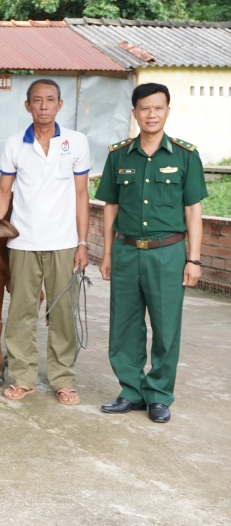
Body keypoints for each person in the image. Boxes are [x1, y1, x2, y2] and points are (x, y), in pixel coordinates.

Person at [95, 83, 207, 423]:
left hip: (167, 253)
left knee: (166, 326)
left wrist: (194, 258)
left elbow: (193, 211)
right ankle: (131, 391)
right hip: (127, 252)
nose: (152, 114)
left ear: (168, 111)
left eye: (158, 107)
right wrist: (108, 253)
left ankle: (159, 395)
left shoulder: (186, 156)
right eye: (145, 108)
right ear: (135, 112)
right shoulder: (118, 155)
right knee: (124, 325)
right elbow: (110, 207)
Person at [0, 79, 91, 405]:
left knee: (62, 313)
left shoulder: (75, 142)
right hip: (23, 243)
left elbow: (81, 195)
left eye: (50, 100)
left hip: (63, 243)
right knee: (21, 313)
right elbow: (4, 192)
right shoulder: (14, 144)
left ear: (60, 105)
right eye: (37, 100)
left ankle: (63, 380)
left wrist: (82, 243)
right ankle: (23, 377)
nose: (44, 106)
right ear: (27, 105)